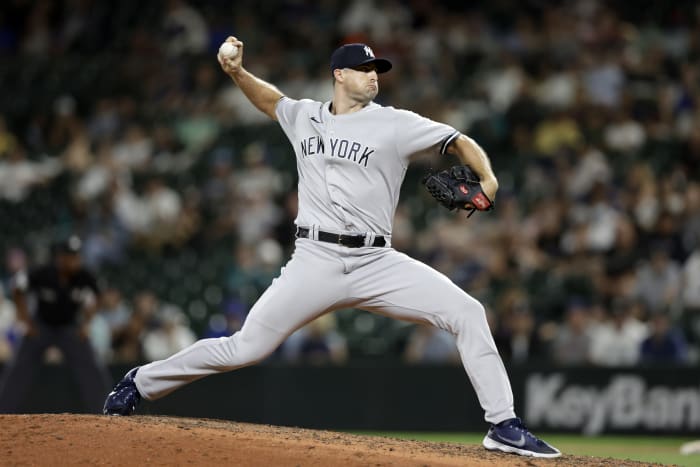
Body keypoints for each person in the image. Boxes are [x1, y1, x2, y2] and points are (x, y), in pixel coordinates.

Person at [103, 38, 561, 458]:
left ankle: (503, 424)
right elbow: (271, 100)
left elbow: (458, 141)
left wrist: (489, 177)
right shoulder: (304, 115)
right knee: (244, 348)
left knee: (468, 312)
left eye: (376, 68)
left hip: (376, 260)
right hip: (315, 261)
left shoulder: (396, 123)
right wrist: (237, 73)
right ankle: (139, 382)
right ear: (338, 75)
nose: (373, 74)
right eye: (363, 68)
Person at [0, 236, 111, 413]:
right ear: (61, 257)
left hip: (69, 328)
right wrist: (25, 320)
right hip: (41, 327)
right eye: (71, 256)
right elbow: (17, 288)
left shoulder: (84, 275)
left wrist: (87, 323)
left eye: (77, 256)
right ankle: (3, 412)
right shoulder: (43, 272)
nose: (75, 260)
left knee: (91, 368)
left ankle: (105, 412)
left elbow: (100, 296)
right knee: (18, 369)